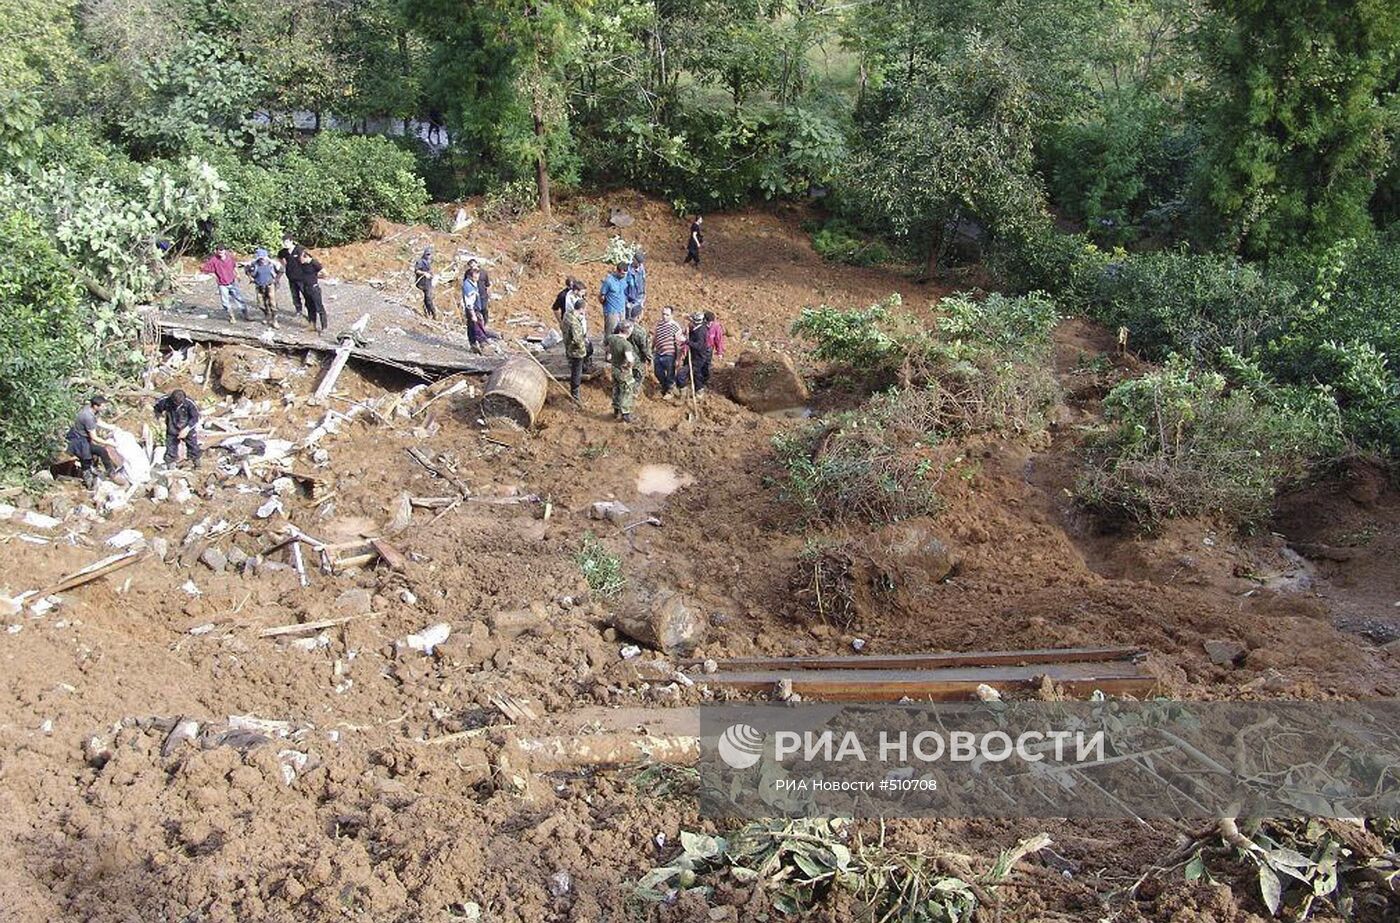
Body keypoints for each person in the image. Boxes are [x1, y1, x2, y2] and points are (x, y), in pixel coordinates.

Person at [66, 395, 117, 488]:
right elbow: (94, 437)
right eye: (103, 406)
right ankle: (89, 482)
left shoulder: (90, 410)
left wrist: (112, 427)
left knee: (101, 451)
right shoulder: (87, 417)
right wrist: (109, 443)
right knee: (86, 460)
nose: (104, 407)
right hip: (78, 441)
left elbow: (97, 421)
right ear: (96, 406)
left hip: (83, 438)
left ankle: (111, 472)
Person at [201, 245, 253, 322]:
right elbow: (204, 268)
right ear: (216, 251)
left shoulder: (229, 258)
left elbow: (234, 266)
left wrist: (237, 274)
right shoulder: (214, 260)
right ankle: (231, 317)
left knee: (239, 299)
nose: (221, 252)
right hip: (222, 284)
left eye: (222, 250)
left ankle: (246, 315)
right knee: (225, 302)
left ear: (225, 250)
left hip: (232, 282)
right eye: (219, 250)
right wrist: (214, 275)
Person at [153, 389, 201, 468]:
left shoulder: (189, 403)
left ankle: (196, 464)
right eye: (176, 403)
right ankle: (171, 465)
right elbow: (157, 409)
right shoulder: (165, 401)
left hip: (187, 426)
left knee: (193, 446)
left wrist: (187, 429)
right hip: (172, 426)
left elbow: (195, 417)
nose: (177, 405)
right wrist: (160, 419)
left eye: (180, 403)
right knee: (171, 447)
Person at [605, 319, 641, 423]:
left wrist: (610, 356)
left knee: (616, 389)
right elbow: (629, 359)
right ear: (628, 331)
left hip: (614, 368)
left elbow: (605, 347)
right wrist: (628, 366)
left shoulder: (611, 338)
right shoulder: (626, 344)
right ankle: (626, 414)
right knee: (626, 391)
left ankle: (616, 411)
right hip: (623, 371)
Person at [561, 294, 590, 402]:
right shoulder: (575, 323)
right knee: (576, 372)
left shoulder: (567, 315)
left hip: (568, 346)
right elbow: (578, 340)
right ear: (582, 309)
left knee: (575, 367)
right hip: (576, 351)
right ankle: (575, 393)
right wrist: (585, 347)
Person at [246, 248, 282, 328]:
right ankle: (267, 314)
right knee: (261, 304)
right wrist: (250, 277)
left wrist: (276, 280)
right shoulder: (254, 264)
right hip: (259, 286)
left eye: (263, 257)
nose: (262, 260)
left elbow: (281, 270)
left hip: (270, 285)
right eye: (260, 258)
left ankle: (274, 320)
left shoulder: (272, 264)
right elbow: (247, 270)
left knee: (272, 303)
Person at [651, 306, 682, 397]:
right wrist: (652, 348)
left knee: (670, 374)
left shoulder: (675, 326)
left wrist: (678, 358)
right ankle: (664, 387)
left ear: (672, 315)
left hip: (669, 355)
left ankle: (670, 391)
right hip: (658, 353)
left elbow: (678, 344)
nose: (664, 316)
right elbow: (655, 337)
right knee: (658, 372)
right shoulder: (659, 324)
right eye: (663, 314)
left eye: (667, 315)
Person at [684, 312, 713, 394]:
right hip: (693, 354)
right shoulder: (698, 327)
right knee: (691, 371)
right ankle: (687, 387)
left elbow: (698, 346)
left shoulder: (701, 332)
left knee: (696, 372)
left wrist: (687, 341)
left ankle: (699, 389)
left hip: (699, 356)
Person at [299, 249, 328, 333]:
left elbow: (325, 273)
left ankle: (324, 327)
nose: (300, 261)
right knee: (309, 307)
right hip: (306, 288)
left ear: (306, 257)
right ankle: (312, 325)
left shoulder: (315, 263)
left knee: (319, 307)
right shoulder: (304, 265)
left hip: (314, 288)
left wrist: (315, 277)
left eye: (301, 258)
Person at [278, 238, 307, 317]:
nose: (285, 244)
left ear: (291, 241)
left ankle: (310, 311)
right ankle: (298, 310)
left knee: (306, 294)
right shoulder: (283, 252)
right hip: (291, 277)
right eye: (283, 242)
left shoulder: (300, 249)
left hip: (302, 277)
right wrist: (284, 264)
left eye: (286, 242)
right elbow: (279, 257)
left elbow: (307, 260)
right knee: (295, 295)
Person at [599, 262, 628, 336]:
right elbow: (601, 296)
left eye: (625, 274)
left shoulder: (624, 279)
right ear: (617, 271)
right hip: (611, 312)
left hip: (622, 311)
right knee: (611, 334)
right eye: (622, 274)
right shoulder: (609, 281)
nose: (623, 276)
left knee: (621, 333)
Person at [461, 265, 484, 352]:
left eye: (477, 276)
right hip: (472, 309)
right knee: (474, 326)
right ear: (470, 276)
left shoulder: (473, 282)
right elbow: (469, 303)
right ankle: (477, 343)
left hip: (476, 308)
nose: (477, 278)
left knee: (475, 325)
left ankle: (475, 344)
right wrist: (473, 314)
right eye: (475, 277)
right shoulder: (467, 286)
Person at [468, 259, 493, 326]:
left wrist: (489, 293)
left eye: (473, 265)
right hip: (474, 295)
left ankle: (485, 323)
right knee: (476, 310)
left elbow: (487, 284)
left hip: (483, 294)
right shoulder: (468, 273)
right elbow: (466, 283)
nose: (472, 267)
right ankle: (478, 324)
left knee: (484, 309)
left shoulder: (483, 272)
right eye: (471, 266)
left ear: (477, 264)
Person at [414, 247, 436, 319]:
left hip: (428, 283)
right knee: (427, 298)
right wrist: (424, 273)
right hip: (421, 283)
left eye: (430, 254)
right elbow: (417, 270)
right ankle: (432, 313)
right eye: (427, 254)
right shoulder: (420, 262)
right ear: (424, 254)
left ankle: (432, 313)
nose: (429, 256)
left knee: (429, 299)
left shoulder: (429, 262)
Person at [625, 254, 647, 321]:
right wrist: (626, 301)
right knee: (629, 319)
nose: (639, 265)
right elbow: (624, 286)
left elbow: (643, 282)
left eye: (640, 263)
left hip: (640, 297)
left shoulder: (641, 268)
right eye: (638, 262)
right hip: (630, 299)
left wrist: (643, 297)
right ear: (634, 260)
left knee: (638, 318)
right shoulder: (627, 270)